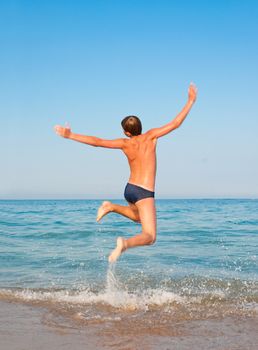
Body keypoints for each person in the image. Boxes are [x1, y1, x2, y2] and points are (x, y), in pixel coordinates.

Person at [55, 83, 197, 262]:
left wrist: (70, 135)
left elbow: (97, 142)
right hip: (144, 192)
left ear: (126, 132)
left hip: (130, 190)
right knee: (150, 236)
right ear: (141, 127)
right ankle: (125, 244)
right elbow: (176, 123)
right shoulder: (151, 136)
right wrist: (191, 101)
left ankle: (111, 206)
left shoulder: (125, 143)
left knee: (138, 217)